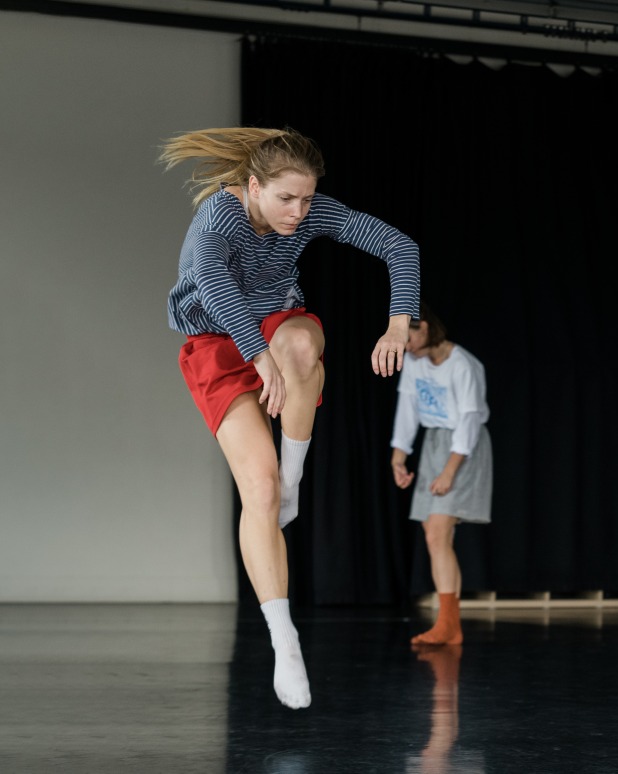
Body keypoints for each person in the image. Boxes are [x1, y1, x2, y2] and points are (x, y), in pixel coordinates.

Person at [159, 126, 420, 709]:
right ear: (252, 186)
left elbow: (400, 246)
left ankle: (295, 477)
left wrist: (399, 321)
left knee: (300, 351)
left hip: (280, 326)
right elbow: (213, 282)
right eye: (286, 200)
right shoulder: (217, 220)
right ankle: (284, 638)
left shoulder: (311, 211)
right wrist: (254, 355)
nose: (299, 213)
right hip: (216, 346)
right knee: (259, 490)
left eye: (307, 200)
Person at [390, 301, 492, 646]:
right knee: (434, 537)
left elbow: (468, 422)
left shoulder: (463, 365)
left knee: (437, 533)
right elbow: (407, 408)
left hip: (462, 449)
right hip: (433, 442)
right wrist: (399, 456)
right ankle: (449, 624)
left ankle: (449, 624)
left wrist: (449, 471)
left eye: (408, 336)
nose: (404, 345)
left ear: (427, 328)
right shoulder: (415, 364)